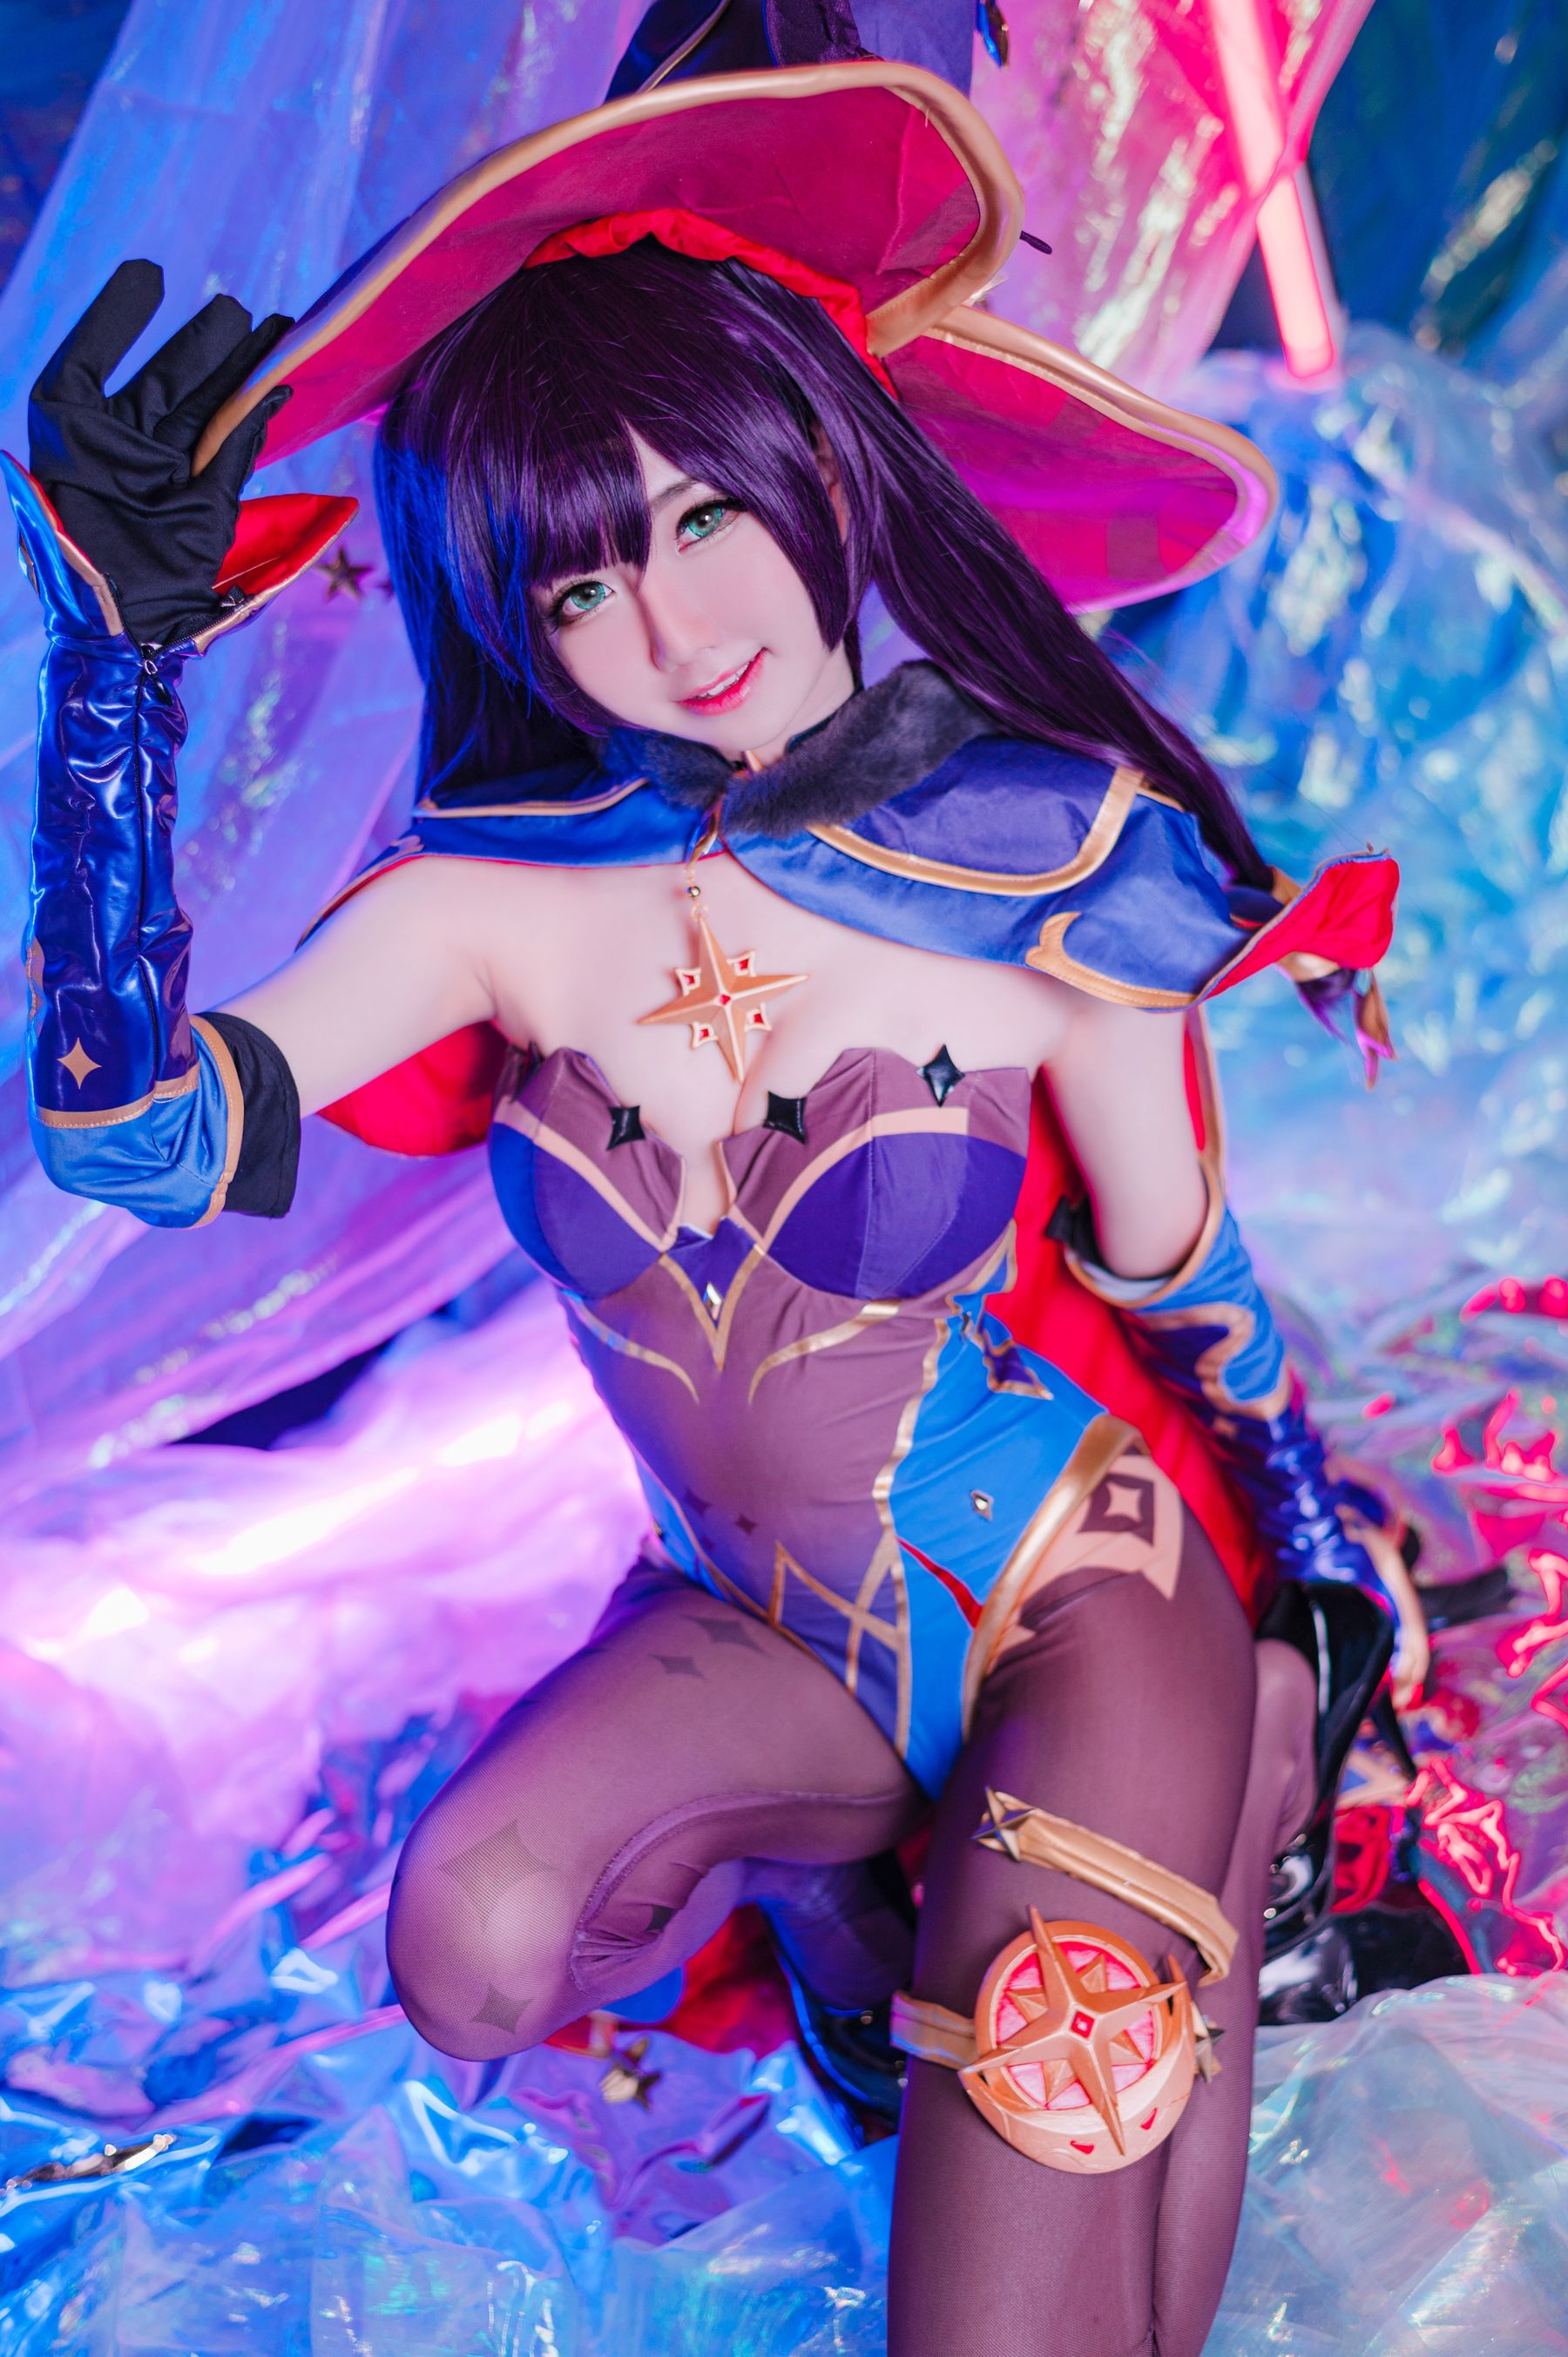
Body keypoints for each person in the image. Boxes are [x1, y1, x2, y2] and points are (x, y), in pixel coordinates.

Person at [8, 31, 1411, 2355]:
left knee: (1020, 2303)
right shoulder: (490, 905)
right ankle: (860, 1889)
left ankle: (1225, 1751)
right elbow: (132, 1137)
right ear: (510, 620)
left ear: (821, 466)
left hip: (1077, 1606)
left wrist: (1321, 1564)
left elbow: (1182, 1273)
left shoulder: (1054, 858)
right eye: (574, 586)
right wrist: (108, 691)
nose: (670, 632)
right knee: (472, 1940)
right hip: (751, 1623)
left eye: (702, 519)